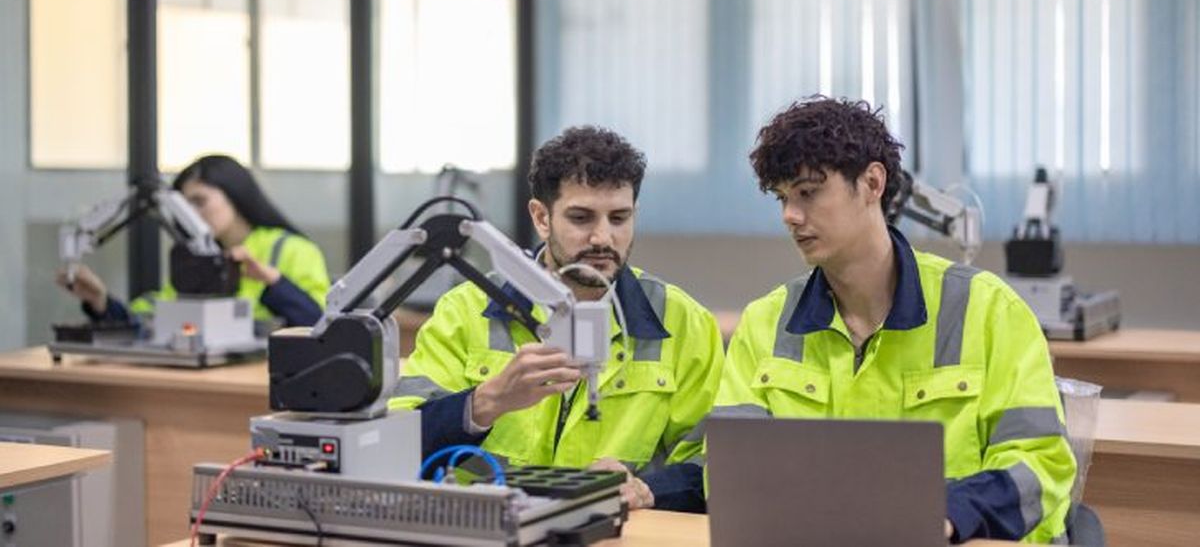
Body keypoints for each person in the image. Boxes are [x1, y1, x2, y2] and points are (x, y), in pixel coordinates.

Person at [710, 98, 1075, 542]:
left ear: (872, 183)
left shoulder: (990, 310)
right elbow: (729, 474)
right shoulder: (764, 324)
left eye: (808, 192)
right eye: (783, 197)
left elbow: (1041, 464)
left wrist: (949, 514)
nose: (790, 215)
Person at [389, 127, 724, 513]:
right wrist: (487, 401)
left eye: (619, 218)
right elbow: (398, 441)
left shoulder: (685, 323)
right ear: (541, 217)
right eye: (581, 218)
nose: (603, 238)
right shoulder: (464, 311)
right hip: (485, 528)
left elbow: (713, 465)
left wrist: (648, 489)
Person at [58, 154, 330, 330]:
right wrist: (101, 302)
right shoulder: (198, 257)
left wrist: (273, 282)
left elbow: (320, 326)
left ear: (235, 195)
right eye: (184, 206)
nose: (191, 214)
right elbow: (151, 318)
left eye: (200, 201)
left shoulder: (294, 250)